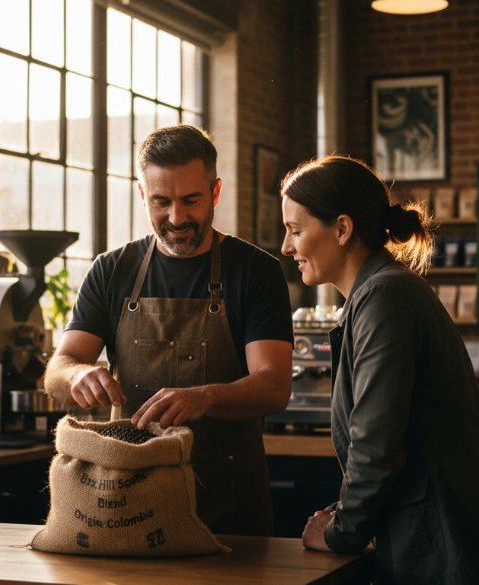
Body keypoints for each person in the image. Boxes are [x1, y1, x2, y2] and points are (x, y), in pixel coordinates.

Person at [282, 155, 479, 584]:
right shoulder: (376, 294)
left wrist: (341, 532)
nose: (286, 246)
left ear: (343, 229)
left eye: (295, 230)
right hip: (447, 540)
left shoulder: (384, 298)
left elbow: (376, 442)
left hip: (455, 549)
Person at [44, 125, 294, 536]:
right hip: (129, 498)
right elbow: (58, 370)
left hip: (228, 503)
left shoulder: (255, 272)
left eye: (191, 200)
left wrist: (206, 396)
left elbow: (273, 385)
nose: (176, 218)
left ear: (214, 192)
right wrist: (78, 374)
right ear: (143, 195)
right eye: (161, 201)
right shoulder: (111, 270)